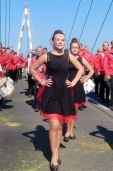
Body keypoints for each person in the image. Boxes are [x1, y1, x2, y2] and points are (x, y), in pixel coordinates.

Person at [30, 30, 83, 171]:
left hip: (65, 92)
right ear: (52, 41)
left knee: (60, 125)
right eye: (57, 39)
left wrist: (73, 82)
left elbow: (80, 69)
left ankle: (56, 151)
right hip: (50, 91)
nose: (60, 41)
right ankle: (54, 156)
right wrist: (41, 80)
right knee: (53, 124)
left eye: (62, 39)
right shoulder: (46, 56)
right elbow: (32, 68)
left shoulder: (68, 56)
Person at [63, 38, 94, 142]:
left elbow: (91, 71)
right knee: (68, 109)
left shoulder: (82, 59)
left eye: (77, 47)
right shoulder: (66, 58)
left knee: (74, 110)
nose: (75, 49)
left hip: (78, 86)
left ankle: (71, 131)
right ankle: (67, 130)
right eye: (73, 47)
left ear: (80, 49)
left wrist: (84, 79)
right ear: (70, 48)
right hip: (68, 85)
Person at [30, 46, 46, 112]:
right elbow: (31, 68)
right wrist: (32, 75)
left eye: (40, 51)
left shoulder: (45, 58)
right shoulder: (33, 59)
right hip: (36, 78)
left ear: (42, 51)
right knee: (36, 92)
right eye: (38, 51)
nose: (39, 52)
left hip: (44, 78)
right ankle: (37, 105)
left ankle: (43, 106)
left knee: (44, 93)